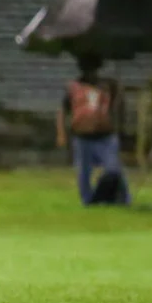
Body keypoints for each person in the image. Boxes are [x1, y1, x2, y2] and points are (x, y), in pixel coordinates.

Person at [56, 53, 128, 206]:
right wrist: (61, 133)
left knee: (113, 169)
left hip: (105, 135)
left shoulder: (108, 85)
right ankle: (88, 200)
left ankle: (120, 198)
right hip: (82, 136)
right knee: (84, 173)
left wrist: (120, 125)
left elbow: (119, 104)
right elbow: (63, 111)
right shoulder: (73, 88)